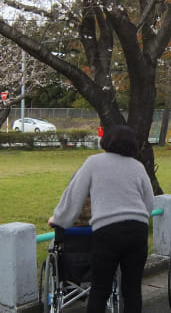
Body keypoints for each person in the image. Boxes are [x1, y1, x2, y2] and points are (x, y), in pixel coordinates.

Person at [49, 124, 155, 313]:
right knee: (132, 290)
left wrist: (60, 220)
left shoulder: (93, 162)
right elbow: (149, 203)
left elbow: (74, 195)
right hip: (137, 230)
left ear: (106, 141)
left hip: (107, 231)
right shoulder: (138, 167)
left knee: (100, 289)